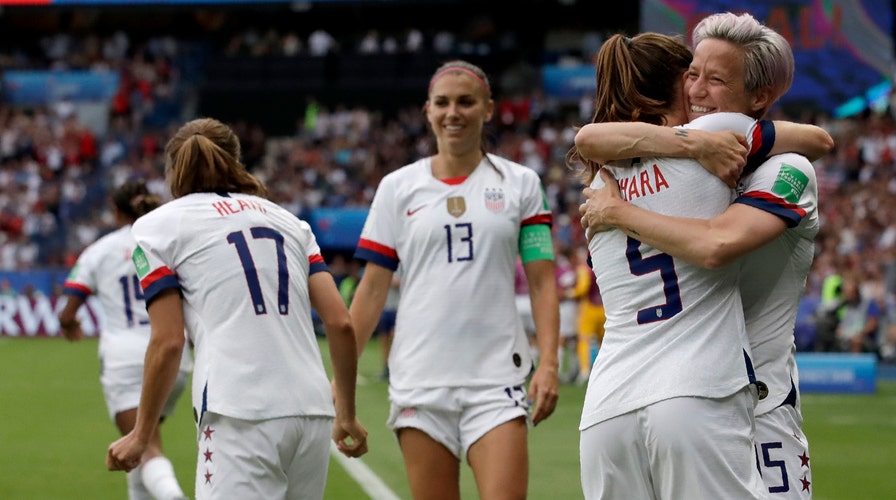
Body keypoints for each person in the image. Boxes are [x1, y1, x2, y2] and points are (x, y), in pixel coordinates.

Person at [577, 12, 834, 499]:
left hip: (720, 398)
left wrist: (618, 210)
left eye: (714, 79)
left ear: (759, 98)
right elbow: (715, 244)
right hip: (708, 389)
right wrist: (692, 143)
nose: (696, 90)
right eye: (691, 74)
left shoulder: (605, 178)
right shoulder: (712, 143)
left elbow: (589, 138)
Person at [104, 117, 368, 499]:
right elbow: (342, 323)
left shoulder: (154, 228)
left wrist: (142, 435)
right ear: (236, 160)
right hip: (311, 411)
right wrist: (345, 412)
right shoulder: (291, 223)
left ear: (173, 169)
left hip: (238, 411)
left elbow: (168, 342)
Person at [348, 60, 560, 499]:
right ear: (427, 111)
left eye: (466, 102)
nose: (453, 112)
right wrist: (342, 378)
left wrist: (551, 363)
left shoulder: (521, 183)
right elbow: (371, 289)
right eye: (442, 103)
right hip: (420, 383)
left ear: (487, 109)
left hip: (496, 380)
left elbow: (542, 282)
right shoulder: (396, 187)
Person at [59, 179, 193, 500]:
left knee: (142, 448)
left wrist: (70, 324)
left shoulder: (100, 250)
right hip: (175, 355)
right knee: (139, 448)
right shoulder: (171, 242)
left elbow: (67, 311)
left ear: (116, 211)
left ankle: (173, 496)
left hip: (126, 358)